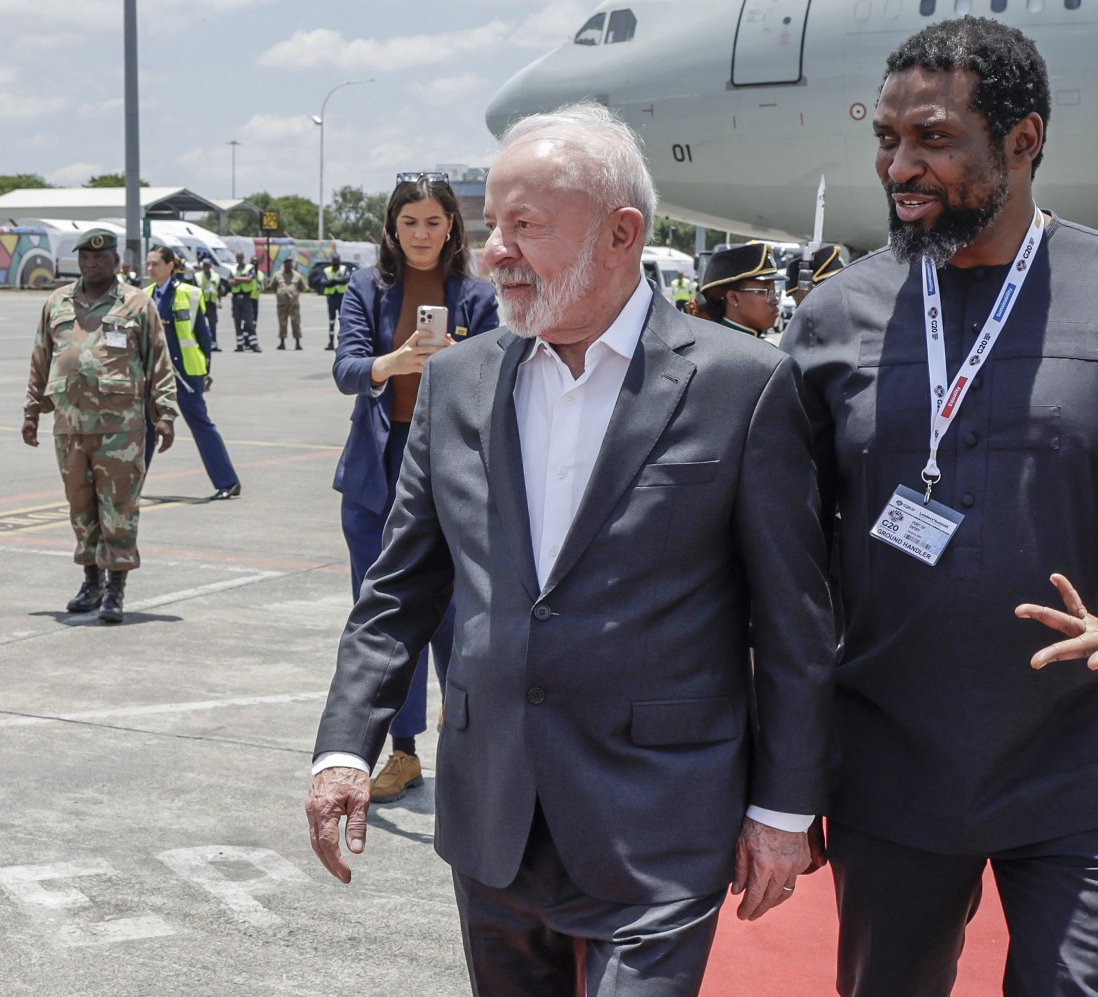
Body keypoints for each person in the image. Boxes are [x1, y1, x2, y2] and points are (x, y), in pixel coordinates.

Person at [305, 101, 834, 996]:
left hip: (660, 819)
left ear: (622, 233)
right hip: (494, 817)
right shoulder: (459, 383)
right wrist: (345, 749)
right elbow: (400, 591)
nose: (492, 253)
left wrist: (782, 810)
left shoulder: (743, 384)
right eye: (491, 227)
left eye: (525, 226)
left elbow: (794, 619)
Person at [786, 17, 1098, 996]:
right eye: (886, 139)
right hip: (890, 758)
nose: (900, 166)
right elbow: (782, 552)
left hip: (1080, 748)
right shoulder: (835, 318)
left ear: (1024, 141)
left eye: (934, 140)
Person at [332, 172, 500, 804]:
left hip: (451, 468)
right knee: (383, 617)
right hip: (378, 470)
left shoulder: (478, 295)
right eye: (409, 224)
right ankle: (399, 755)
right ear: (392, 229)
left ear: (451, 225)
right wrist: (392, 362)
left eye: (433, 222)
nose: (421, 234)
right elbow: (346, 368)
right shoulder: (365, 288)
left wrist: (457, 361)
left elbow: (497, 374)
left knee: (460, 617)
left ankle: (470, 745)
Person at [22, 229, 179, 624]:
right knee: (80, 508)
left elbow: (158, 361)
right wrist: (30, 412)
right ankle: (91, 581)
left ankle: (115, 589)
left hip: (121, 430)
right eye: (85, 259)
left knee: (119, 509)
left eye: (99, 258)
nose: (91, 264)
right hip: (69, 427)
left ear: (116, 260)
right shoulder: (58, 302)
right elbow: (41, 357)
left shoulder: (137, 305)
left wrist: (165, 414)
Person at [149, 247, 241, 500]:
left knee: (200, 424)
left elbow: (203, 335)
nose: (150, 269)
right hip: (154, 375)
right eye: (149, 264)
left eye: (155, 264)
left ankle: (228, 482)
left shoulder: (188, 294)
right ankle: (131, 485)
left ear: (170, 266)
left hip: (185, 374)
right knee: (146, 426)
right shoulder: (145, 296)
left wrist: (205, 372)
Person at [696, 241, 783, 336]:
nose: (775, 301)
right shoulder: (719, 346)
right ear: (734, 298)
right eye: (766, 291)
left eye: (774, 291)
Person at [315, 252, 352, 350]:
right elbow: (323, 282)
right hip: (331, 298)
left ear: (339, 260)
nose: (335, 262)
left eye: (337, 260)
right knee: (331, 321)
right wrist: (337, 281)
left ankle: (342, 343)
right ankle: (331, 343)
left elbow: (346, 279)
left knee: (342, 321)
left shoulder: (343, 269)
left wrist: (333, 282)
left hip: (341, 298)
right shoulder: (327, 270)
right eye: (334, 260)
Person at [269, 257, 304, 350]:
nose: (288, 265)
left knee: (296, 323)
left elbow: (302, 287)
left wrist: (294, 293)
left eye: (290, 263)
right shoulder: (278, 275)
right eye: (286, 263)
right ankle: (282, 343)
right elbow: (272, 287)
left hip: (294, 305)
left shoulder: (297, 276)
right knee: (282, 323)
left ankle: (297, 343)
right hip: (282, 304)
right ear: (284, 264)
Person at [230, 253, 262, 352]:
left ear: (243, 258)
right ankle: (240, 344)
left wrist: (237, 279)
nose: (239, 259)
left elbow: (249, 279)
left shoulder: (249, 268)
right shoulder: (233, 269)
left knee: (249, 322)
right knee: (237, 321)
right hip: (236, 298)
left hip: (246, 297)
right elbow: (229, 282)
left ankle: (254, 344)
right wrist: (242, 279)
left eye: (240, 257)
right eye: (237, 257)